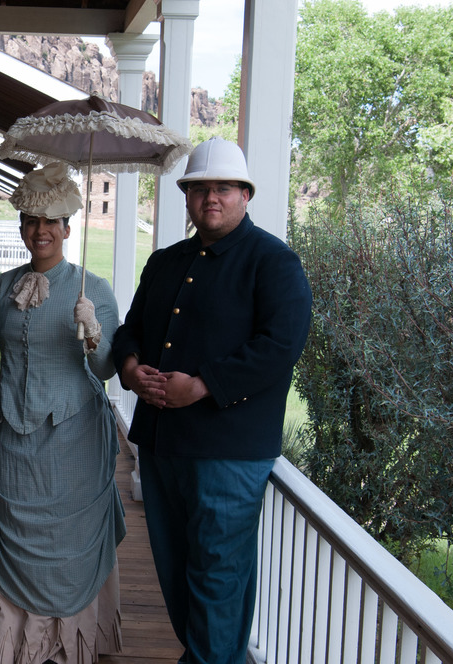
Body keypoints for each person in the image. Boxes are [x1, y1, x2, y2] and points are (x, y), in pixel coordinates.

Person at [112, 137, 312, 664]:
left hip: (229, 451)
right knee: (178, 570)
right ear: (186, 198)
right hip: (162, 445)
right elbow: (131, 330)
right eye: (199, 189)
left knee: (218, 572)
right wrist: (130, 369)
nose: (211, 199)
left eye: (223, 188)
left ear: (246, 194)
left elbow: (280, 347)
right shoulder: (165, 262)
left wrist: (202, 384)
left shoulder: (274, 262)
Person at [0, 163, 126, 664]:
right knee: (18, 532)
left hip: (75, 439)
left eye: (50, 223)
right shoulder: (0, 289)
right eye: (29, 221)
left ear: (68, 227)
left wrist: (93, 332)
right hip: (15, 439)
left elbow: (107, 369)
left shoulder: (93, 289)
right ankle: (16, 641)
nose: (39, 231)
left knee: (68, 539)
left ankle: (71, 640)